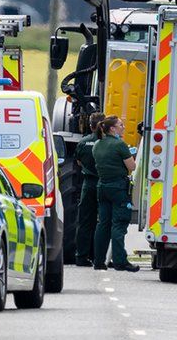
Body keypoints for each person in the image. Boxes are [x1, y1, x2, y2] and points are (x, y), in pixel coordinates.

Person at [92, 115, 140, 272]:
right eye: (120, 125)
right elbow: (132, 167)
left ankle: (98, 261)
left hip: (102, 186)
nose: (123, 127)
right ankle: (120, 261)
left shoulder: (97, 144)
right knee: (118, 224)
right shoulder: (120, 144)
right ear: (112, 128)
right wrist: (131, 155)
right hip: (118, 188)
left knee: (103, 224)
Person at [74, 112, 106, 267]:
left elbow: (79, 162)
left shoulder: (83, 142)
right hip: (105, 184)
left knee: (85, 221)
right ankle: (99, 256)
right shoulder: (110, 143)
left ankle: (81, 256)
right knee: (104, 221)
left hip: (88, 184)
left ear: (91, 125)